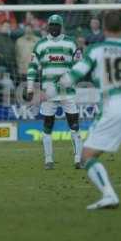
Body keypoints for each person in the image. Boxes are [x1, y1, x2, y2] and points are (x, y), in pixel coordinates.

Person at [50, 11, 121, 209]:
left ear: (104, 30)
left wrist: (51, 88)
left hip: (114, 105)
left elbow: (73, 76)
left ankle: (109, 194)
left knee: (87, 156)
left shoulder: (96, 50)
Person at [27, 14, 83, 170]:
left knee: (74, 124)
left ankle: (78, 158)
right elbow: (32, 67)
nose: (54, 28)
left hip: (68, 92)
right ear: (48, 26)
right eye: (51, 25)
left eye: (56, 25)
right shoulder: (40, 45)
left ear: (61, 26)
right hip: (48, 93)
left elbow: (79, 67)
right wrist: (30, 87)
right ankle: (48, 159)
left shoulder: (71, 43)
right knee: (47, 124)